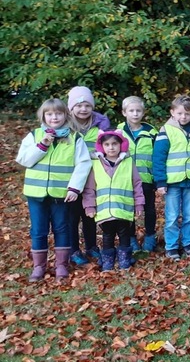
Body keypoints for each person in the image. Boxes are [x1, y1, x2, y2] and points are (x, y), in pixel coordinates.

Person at [17, 98, 91, 282]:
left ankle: (61, 266)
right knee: (38, 230)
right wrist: (42, 145)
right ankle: (39, 267)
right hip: (36, 193)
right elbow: (24, 160)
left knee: (62, 229)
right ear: (43, 116)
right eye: (49, 114)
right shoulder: (34, 135)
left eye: (58, 113)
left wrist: (74, 188)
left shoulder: (75, 138)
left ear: (65, 115)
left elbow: (83, 163)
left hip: (62, 194)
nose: (54, 117)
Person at [83, 130, 144, 271]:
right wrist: (89, 206)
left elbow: (136, 184)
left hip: (124, 208)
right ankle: (108, 261)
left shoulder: (128, 162)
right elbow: (90, 187)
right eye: (107, 144)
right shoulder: (96, 164)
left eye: (114, 144)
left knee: (124, 234)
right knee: (107, 235)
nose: (111, 147)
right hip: (105, 210)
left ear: (121, 145)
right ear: (101, 146)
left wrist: (139, 204)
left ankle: (124, 260)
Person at [153, 95, 190, 261]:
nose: (184, 117)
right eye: (180, 113)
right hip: (172, 181)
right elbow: (159, 157)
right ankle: (172, 245)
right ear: (172, 113)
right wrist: (160, 181)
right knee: (172, 216)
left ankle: (188, 242)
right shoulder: (166, 130)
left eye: (187, 114)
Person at [67, 86, 111, 265]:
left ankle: (92, 246)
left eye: (87, 105)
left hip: (94, 177)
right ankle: (73, 250)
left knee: (90, 214)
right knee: (72, 216)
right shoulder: (65, 127)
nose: (83, 109)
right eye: (79, 106)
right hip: (71, 178)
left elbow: (108, 148)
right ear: (71, 107)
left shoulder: (101, 126)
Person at [118, 96, 159, 253]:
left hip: (146, 178)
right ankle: (131, 239)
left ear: (143, 112)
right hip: (125, 180)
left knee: (149, 209)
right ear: (124, 112)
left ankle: (150, 236)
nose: (135, 114)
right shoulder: (119, 132)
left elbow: (158, 156)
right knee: (128, 210)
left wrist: (157, 178)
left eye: (138, 111)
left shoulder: (151, 132)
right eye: (131, 111)